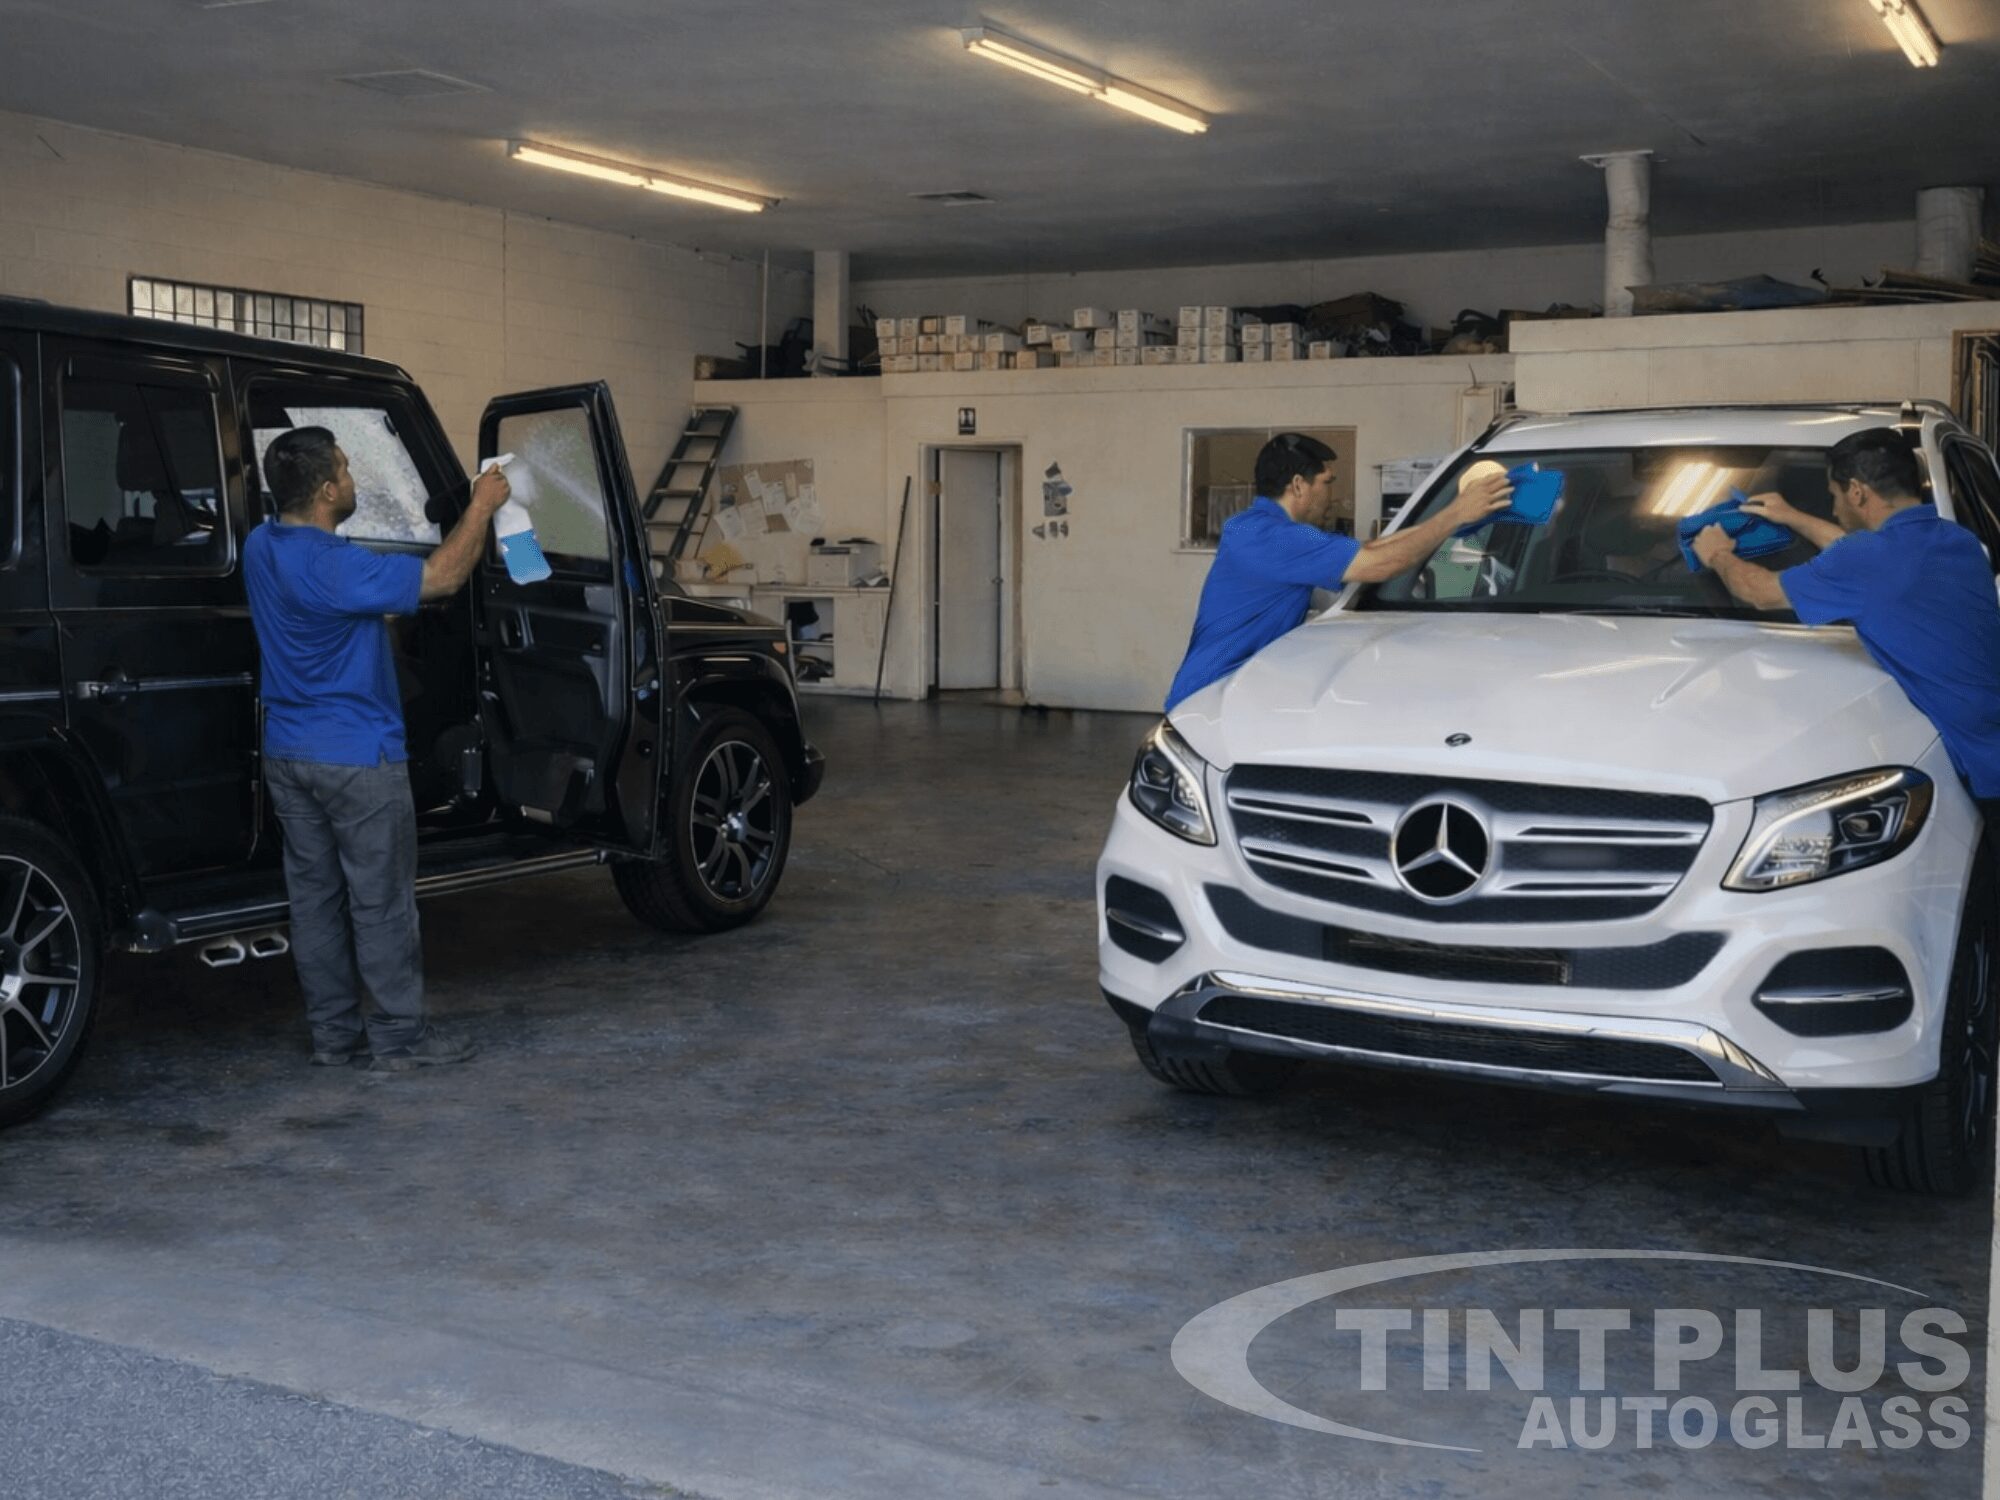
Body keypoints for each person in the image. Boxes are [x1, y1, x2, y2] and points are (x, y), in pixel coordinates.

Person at [246, 428, 512, 1071]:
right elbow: (444, 579)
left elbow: (326, 610)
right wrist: (481, 506)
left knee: (315, 906)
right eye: (344, 467)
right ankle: (398, 1041)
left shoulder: (260, 545)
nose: (352, 477)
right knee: (382, 905)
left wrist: (379, 614)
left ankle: (334, 1040)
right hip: (357, 759)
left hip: (288, 752)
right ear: (328, 490)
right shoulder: (336, 565)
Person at [1693, 427, 2000, 832]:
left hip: (1988, 766)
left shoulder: (1868, 562)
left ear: (1857, 492)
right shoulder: (1958, 541)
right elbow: (1860, 556)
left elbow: (1760, 593)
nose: (1834, 508)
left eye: (1834, 496)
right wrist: (1792, 516)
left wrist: (1717, 554)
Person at [1165, 434, 1512, 708]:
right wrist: (1456, 515)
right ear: (1299, 484)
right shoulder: (1268, 537)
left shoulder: (1260, 529)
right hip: (1210, 695)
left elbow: (1372, 549)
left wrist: (1456, 518)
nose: (1331, 495)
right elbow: (1380, 565)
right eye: (1327, 482)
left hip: (1240, 688)